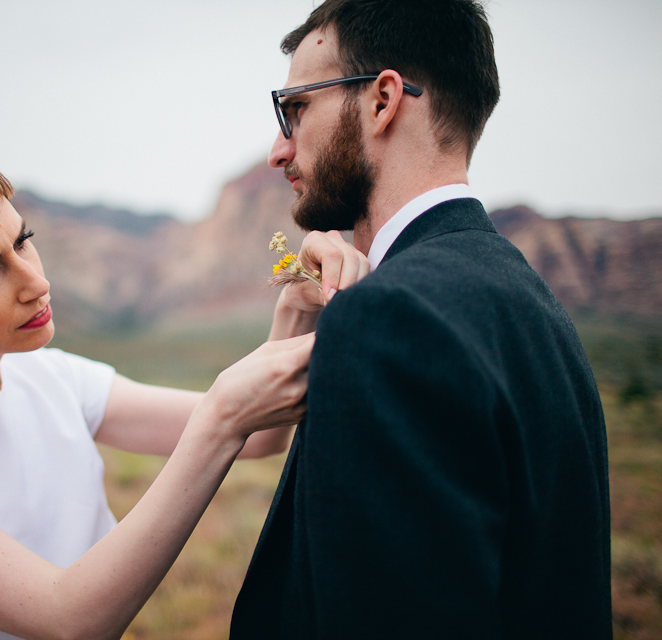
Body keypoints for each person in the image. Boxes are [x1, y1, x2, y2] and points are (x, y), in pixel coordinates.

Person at [0, 142, 367, 639]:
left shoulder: (53, 377)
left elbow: (259, 439)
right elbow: (68, 619)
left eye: (23, 242)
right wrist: (219, 417)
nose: (37, 282)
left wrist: (295, 308)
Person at [230, 1, 612, 638]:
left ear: (383, 100)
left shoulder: (387, 321)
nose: (278, 149)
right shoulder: (535, 304)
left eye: (294, 108)